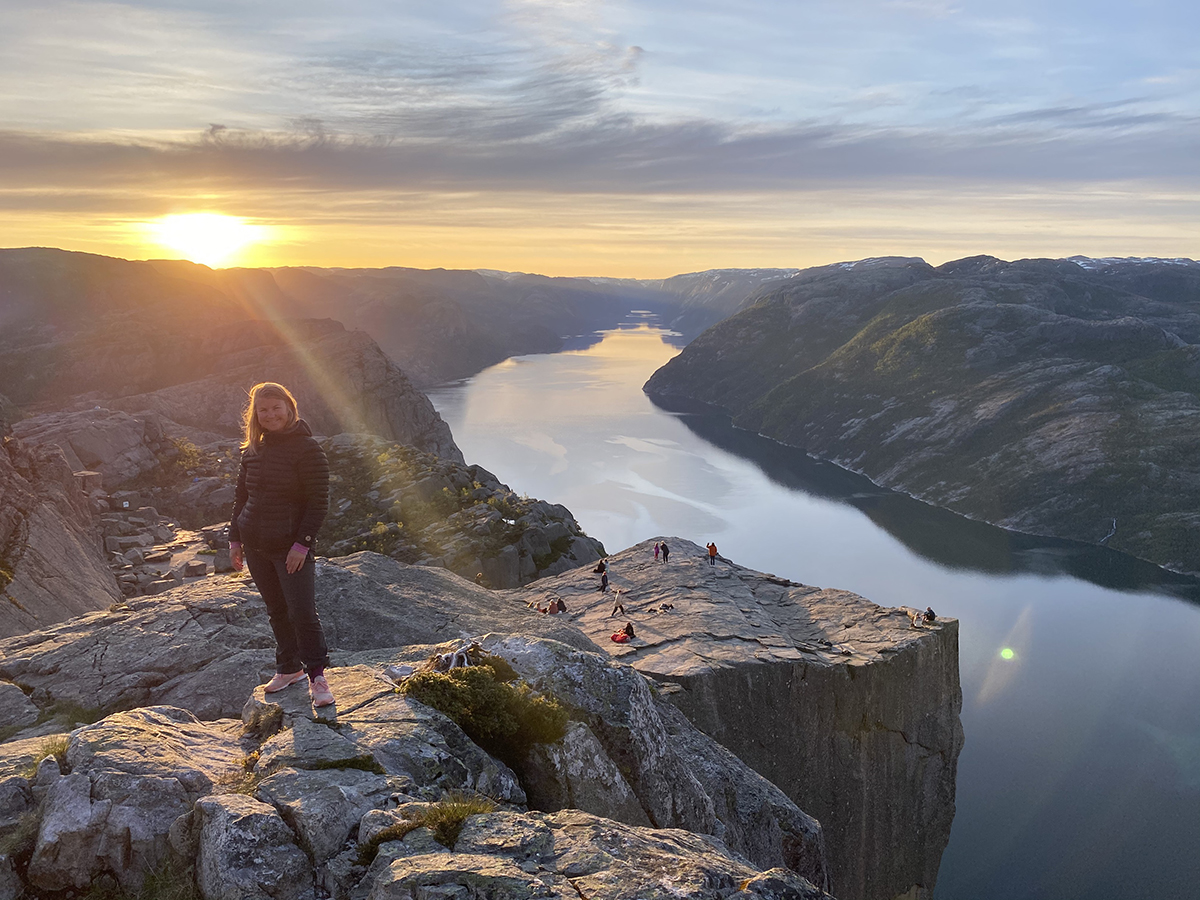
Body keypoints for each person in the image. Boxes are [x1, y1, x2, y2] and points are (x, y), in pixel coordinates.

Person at [229, 382, 334, 708]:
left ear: (289, 408)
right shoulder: (253, 450)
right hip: (256, 546)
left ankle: (316, 676)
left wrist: (302, 545)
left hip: (289, 547)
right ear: (256, 416)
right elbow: (242, 498)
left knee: (302, 612)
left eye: (276, 407)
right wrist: (234, 538)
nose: (270, 414)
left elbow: (318, 503)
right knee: (277, 611)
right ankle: (288, 668)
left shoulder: (307, 450)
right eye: (264, 410)